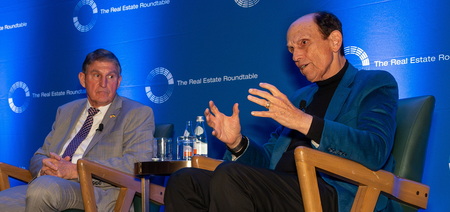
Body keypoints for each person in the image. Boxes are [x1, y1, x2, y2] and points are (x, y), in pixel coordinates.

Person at [165, 11, 401, 212]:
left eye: (304, 43)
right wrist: (237, 143)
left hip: (331, 193)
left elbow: (375, 150)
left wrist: (306, 123)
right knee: (185, 181)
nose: (296, 56)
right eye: (291, 49)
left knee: (231, 176)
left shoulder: (373, 83)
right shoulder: (300, 98)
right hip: (280, 187)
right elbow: (268, 161)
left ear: (334, 41)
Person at [0, 49, 155, 211]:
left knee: (43, 189)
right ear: (83, 79)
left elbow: (138, 163)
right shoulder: (66, 111)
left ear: (119, 81)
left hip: (98, 193)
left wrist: (77, 170)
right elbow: (40, 155)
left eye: (111, 76)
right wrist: (46, 169)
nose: (104, 83)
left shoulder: (137, 113)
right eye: (96, 75)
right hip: (49, 184)